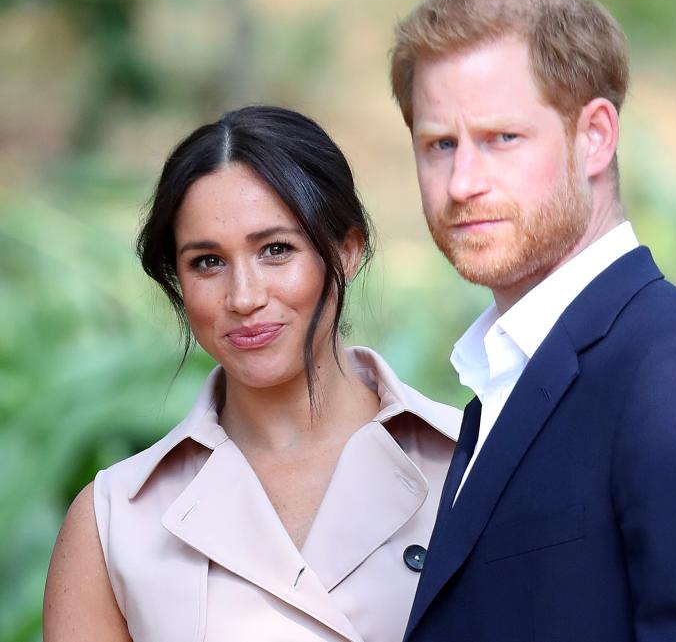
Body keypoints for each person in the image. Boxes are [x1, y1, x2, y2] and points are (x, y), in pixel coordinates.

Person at [389, 0, 676, 642]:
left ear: (596, 137)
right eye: (440, 144)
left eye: (502, 138)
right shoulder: (507, 375)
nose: (462, 182)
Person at [43, 105, 460, 642]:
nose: (244, 297)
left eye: (275, 250)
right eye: (207, 262)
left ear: (347, 250)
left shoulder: (469, 465)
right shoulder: (114, 521)